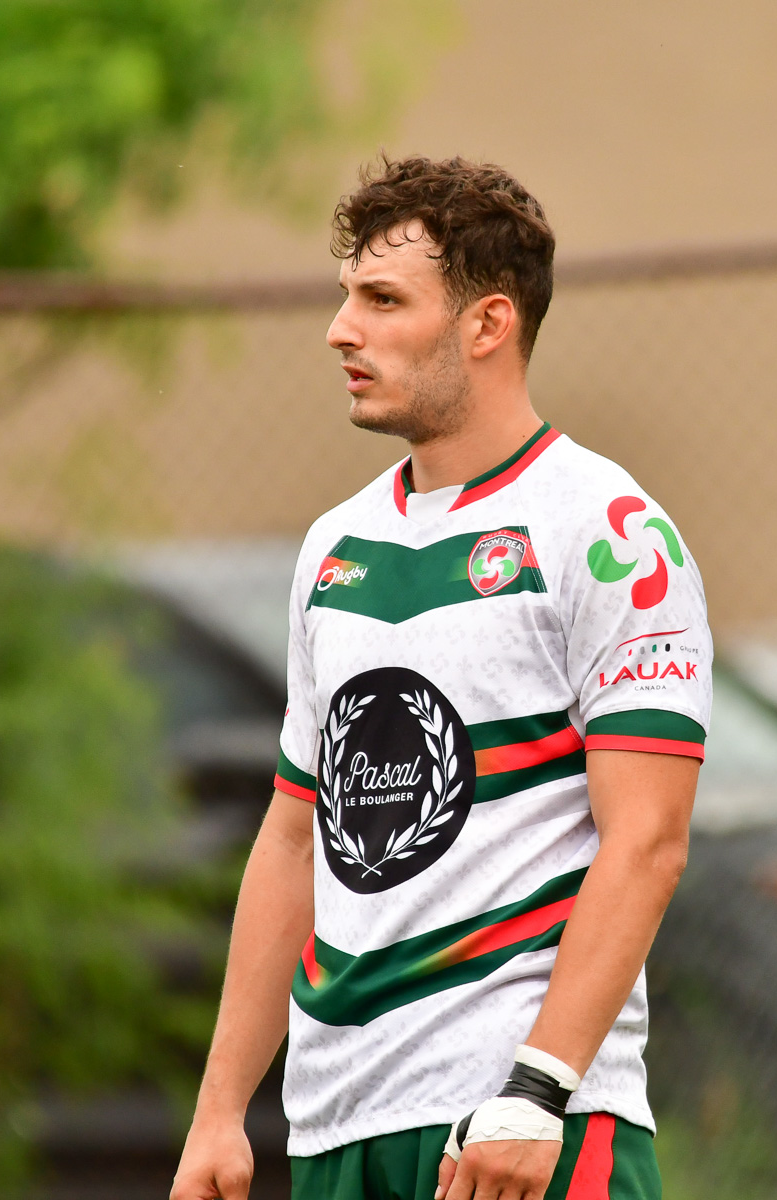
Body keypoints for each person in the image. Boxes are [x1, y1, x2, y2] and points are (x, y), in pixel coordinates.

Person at [170, 155, 712, 1200]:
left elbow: (648, 841)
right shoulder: (336, 548)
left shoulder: (607, 531)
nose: (341, 330)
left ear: (487, 324)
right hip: (338, 1123)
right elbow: (294, 835)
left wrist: (538, 1089)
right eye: (345, 298)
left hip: (517, 1127)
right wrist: (220, 1112)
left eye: (382, 301)